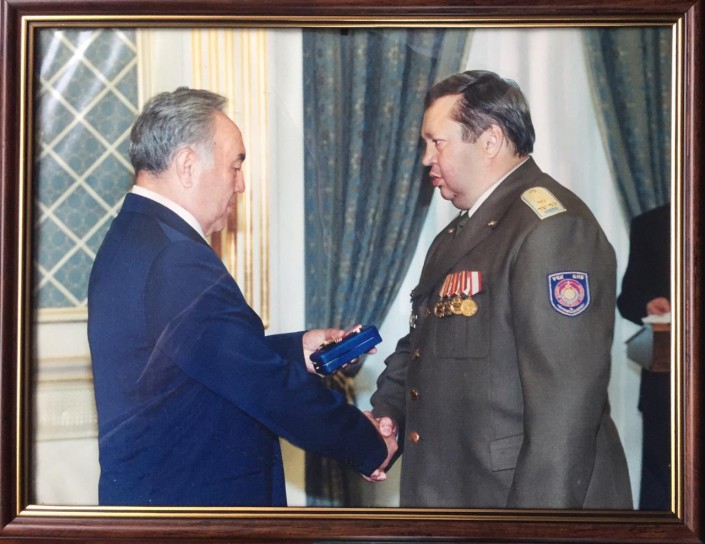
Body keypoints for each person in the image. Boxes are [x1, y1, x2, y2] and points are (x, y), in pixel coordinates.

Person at [87, 87, 396, 507]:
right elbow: (262, 385)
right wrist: (367, 443)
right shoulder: (176, 258)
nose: (242, 185)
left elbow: (195, 361)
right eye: (235, 166)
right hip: (196, 513)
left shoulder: (133, 235)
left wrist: (298, 350)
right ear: (188, 165)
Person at [369, 70, 632, 509]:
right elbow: (421, 343)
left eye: (437, 142)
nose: (426, 158)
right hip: (460, 495)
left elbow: (564, 415)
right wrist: (388, 415)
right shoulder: (458, 234)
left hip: (518, 503)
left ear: (490, 140)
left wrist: (530, 530)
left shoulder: (551, 229)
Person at [617, 203, 671, 510]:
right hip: (665, 390)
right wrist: (648, 304)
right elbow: (627, 299)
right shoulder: (650, 224)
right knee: (662, 495)